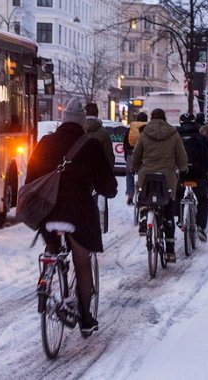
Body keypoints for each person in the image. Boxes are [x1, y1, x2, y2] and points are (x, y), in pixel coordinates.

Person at [26, 102, 118, 335]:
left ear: (62, 120)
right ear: (82, 122)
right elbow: (107, 185)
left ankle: (48, 269)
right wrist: (108, 190)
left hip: (48, 212)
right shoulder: (91, 145)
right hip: (78, 213)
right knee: (82, 262)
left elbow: (30, 177)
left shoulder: (45, 143)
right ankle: (86, 318)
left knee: (52, 245)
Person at [132, 108, 188, 263]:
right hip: (167, 178)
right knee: (168, 210)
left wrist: (135, 167)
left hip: (147, 177)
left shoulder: (143, 134)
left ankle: (144, 217)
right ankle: (170, 250)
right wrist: (183, 167)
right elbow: (181, 157)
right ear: (165, 119)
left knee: (144, 195)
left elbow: (136, 156)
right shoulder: (174, 134)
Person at [177, 113, 208, 242]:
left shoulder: (176, 137)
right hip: (199, 174)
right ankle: (200, 226)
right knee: (203, 200)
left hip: (181, 174)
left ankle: (180, 217)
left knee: (177, 194)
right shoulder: (201, 138)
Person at [123, 112, 148, 205]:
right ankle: (143, 193)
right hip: (144, 155)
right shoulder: (148, 129)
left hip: (131, 155)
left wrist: (127, 157)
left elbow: (125, 144)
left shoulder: (131, 129)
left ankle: (130, 195)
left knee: (129, 174)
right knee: (145, 174)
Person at [84, 102, 115, 168]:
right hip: (98, 172)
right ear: (97, 114)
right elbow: (109, 156)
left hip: (80, 173)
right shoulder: (104, 133)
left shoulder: (78, 131)